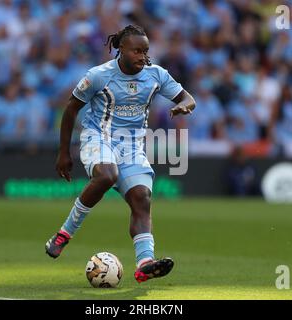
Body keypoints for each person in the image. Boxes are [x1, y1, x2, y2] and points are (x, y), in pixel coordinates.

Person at [45, 25, 196, 283]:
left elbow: (188, 98)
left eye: (145, 50)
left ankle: (144, 263)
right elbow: (71, 109)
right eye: (136, 50)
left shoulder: (156, 75)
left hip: (132, 146)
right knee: (106, 175)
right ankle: (63, 235)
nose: (142, 56)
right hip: (98, 138)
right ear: (120, 49)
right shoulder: (98, 75)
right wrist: (63, 153)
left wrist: (183, 106)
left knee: (142, 197)